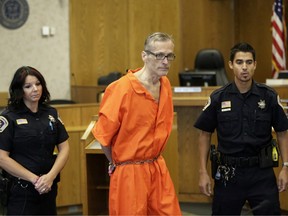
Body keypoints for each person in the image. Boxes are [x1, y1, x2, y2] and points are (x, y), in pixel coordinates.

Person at [92, 32, 181, 215]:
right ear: (144, 56)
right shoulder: (120, 88)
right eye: (159, 55)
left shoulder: (165, 85)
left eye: (169, 56)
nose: (165, 61)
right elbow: (103, 137)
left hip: (157, 168)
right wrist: (118, 163)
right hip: (129, 172)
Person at [194, 42, 288, 215]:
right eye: (239, 62)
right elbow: (204, 134)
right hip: (229, 174)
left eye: (249, 62)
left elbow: (282, 132)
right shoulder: (218, 98)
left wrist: (285, 167)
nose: (244, 67)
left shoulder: (268, 96)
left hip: (261, 174)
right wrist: (203, 172)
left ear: (255, 65)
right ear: (230, 65)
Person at [0, 66, 70, 215]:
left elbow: (65, 148)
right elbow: (1, 157)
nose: (35, 89)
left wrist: (50, 177)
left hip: (49, 187)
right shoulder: (8, 117)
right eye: (28, 86)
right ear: (19, 90)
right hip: (21, 190)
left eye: (38, 84)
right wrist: (35, 180)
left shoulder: (51, 113)